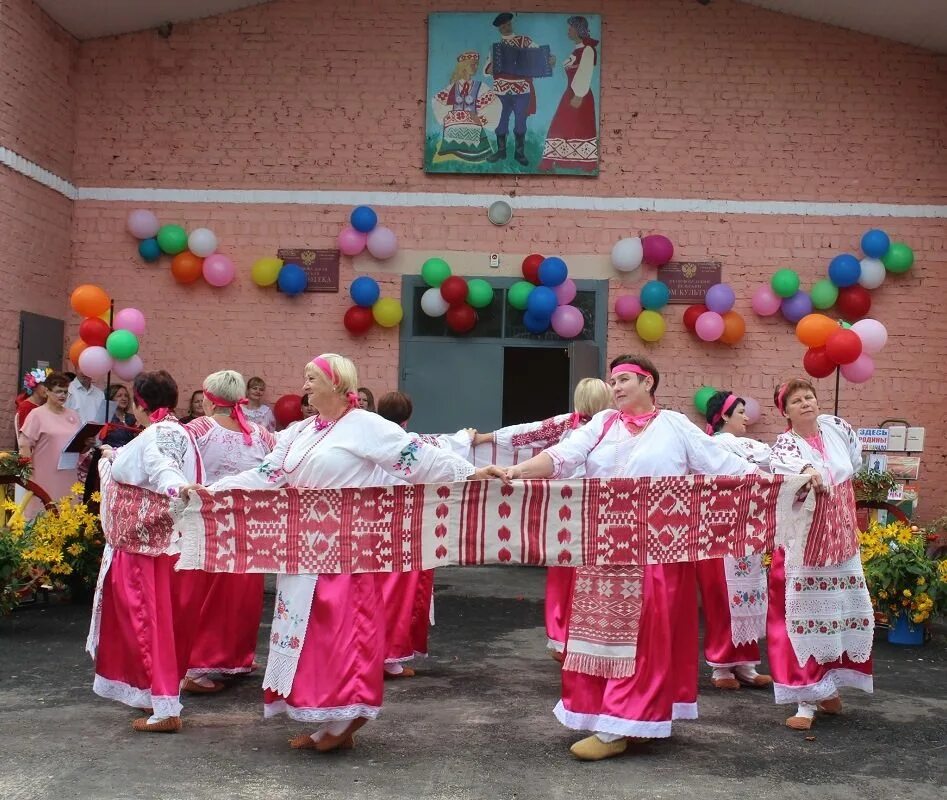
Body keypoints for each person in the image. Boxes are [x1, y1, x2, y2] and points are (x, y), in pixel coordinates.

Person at [199, 354, 501, 753]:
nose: (304, 386)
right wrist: (214, 490)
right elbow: (268, 474)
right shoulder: (301, 431)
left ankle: (350, 710)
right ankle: (326, 714)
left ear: (339, 382)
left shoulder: (366, 426)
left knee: (342, 632)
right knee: (307, 634)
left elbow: (416, 459)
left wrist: (468, 473)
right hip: (303, 549)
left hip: (347, 550)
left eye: (311, 378)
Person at [492, 356, 758, 761]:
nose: (615, 387)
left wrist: (781, 480)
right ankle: (607, 715)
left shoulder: (675, 426)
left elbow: (723, 465)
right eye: (612, 380)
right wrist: (517, 472)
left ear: (648, 382)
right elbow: (563, 456)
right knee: (597, 635)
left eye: (624, 380)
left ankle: (624, 722)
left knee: (645, 636)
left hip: (658, 549)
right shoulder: (601, 425)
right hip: (603, 546)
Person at [90, 370, 205, 733]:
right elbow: (150, 460)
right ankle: (157, 693)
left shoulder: (160, 435)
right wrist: (112, 453)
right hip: (169, 544)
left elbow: (162, 468)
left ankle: (164, 705)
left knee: (146, 622)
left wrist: (179, 488)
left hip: (146, 547)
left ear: (141, 403)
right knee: (165, 624)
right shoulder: (176, 430)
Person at [472, 377, 613, 659]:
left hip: (568, 510)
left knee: (565, 573)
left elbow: (525, 434)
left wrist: (484, 438)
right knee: (582, 572)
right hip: (587, 510)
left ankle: (565, 637)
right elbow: (526, 434)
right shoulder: (582, 426)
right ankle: (576, 638)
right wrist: (486, 438)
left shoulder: (585, 426)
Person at [767, 378, 873, 731]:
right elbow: (785, 475)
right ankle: (805, 700)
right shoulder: (785, 445)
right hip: (805, 546)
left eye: (809, 397)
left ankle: (827, 689)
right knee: (802, 618)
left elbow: (853, 463)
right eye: (796, 401)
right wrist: (807, 473)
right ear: (786, 412)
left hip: (840, 538)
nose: (806, 403)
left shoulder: (836, 428)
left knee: (840, 613)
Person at [374, 390, 477, 675]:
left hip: (370, 527)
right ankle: (389, 659)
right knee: (397, 594)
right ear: (407, 419)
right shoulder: (414, 444)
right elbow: (445, 450)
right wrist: (468, 438)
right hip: (405, 528)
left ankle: (370, 653)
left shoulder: (369, 442)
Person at [184, 371, 276, 689]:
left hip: (207, 520)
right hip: (249, 522)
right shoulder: (260, 434)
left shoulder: (198, 428)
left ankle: (197, 665)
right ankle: (233, 656)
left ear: (209, 400)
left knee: (207, 592)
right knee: (242, 595)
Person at [698, 391, 773, 690]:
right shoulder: (713, 446)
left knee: (749, 596)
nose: (746, 416)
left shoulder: (749, 446)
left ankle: (745, 663)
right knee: (721, 599)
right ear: (724, 416)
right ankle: (721, 666)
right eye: (740, 411)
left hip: (748, 533)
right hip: (718, 535)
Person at [484, 12, 554, 166]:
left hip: (521, 90)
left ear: (511, 24)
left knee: (520, 121)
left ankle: (519, 153)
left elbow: (540, 56)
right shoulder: (495, 48)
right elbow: (487, 70)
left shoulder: (525, 41)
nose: (506, 28)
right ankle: (501, 151)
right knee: (501, 120)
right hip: (501, 91)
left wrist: (550, 60)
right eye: (502, 26)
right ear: (499, 29)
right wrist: (494, 66)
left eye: (507, 24)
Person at [539, 16, 599, 173]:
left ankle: (583, 163)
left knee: (576, 127)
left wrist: (578, 95)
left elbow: (585, 73)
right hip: (571, 93)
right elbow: (571, 67)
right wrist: (554, 62)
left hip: (580, 95)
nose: (568, 31)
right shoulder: (577, 49)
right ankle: (564, 161)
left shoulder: (587, 50)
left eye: (570, 28)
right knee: (564, 126)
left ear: (578, 29)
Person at [17, 372, 81, 514]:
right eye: (58, 391)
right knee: (43, 510)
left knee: (68, 511)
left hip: (68, 471)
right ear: (47, 391)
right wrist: (27, 472)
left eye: (65, 392)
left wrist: (86, 442)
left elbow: (79, 444)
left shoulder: (74, 415)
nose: (62, 395)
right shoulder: (36, 414)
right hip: (44, 472)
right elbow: (25, 445)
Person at [431, 51, 501, 163]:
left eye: (477, 64)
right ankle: (452, 150)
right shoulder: (453, 87)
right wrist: (449, 115)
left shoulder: (480, 87)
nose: (476, 67)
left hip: (474, 127)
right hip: (454, 127)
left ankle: (475, 153)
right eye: (472, 64)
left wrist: (481, 119)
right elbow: (437, 100)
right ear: (463, 66)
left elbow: (495, 104)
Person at [15, 367, 50, 431]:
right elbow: (25, 432)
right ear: (34, 387)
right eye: (44, 385)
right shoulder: (25, 407)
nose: (47, 388)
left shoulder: (46, 404)